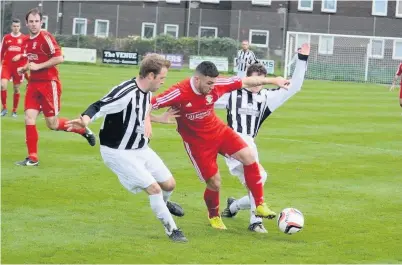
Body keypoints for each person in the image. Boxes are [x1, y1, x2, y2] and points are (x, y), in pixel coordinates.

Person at [151, 61, 290, 230]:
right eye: (208, 83)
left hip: (219, 131)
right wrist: (156, 119)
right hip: (198, 144)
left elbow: (246, 81)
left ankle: (259, 204)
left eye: (214, 83)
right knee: (215, 183)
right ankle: (214, 215)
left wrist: (274, 80)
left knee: (249, 156)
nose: (212, 87)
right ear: (196, 80)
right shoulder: (178, 92)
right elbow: (145, 105)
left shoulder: (217, 84)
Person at [66, 54, 187, 243]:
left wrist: (156, 119)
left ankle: (163, 205)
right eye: (162, 78)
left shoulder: (147, 90)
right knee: (154, 189)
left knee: (169, 184)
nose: (163, 82)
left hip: (140, 148)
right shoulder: (125, 92)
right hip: (118, 152)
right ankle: (173, 230)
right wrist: (85, 120)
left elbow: (141, 111)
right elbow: (99, 105)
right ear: (150, 76)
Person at [218, 43, 310, 233]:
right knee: (258, 178)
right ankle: (255, 222)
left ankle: (234, 206)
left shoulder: (267, 97)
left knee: (259, 179)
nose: (257, 84)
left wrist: (302, 60)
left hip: (249, 145)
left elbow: (295, 87)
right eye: (254, 80)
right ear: (247, 79)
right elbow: (207, 97)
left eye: (261, 81)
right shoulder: (232, 94)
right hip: (231, 144)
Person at [15, 8, 96, 166]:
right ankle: (33, 158)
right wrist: (25, 68)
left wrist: (38, 67)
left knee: (52, 124)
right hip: (33, 85)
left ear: (41, 22)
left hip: (48, 84)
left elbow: (59, 57)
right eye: (31, 21)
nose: (33, 24)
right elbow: (33, 60)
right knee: (28, 118)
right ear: (26, 23)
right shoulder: (26, 41)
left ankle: (81, 130)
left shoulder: (45, 37)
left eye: (36, 21)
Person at [1, 18, 28, 117]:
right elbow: (1, 52)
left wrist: (21, 59)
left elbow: (27, 54)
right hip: (7, 66)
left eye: (17, 26)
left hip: (18, 68)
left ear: (20, 27)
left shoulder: (24, 39)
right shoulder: (6, 37)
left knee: (16, 88)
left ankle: (14, 110)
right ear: (11, 27)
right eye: (14, 26)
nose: (16, 28)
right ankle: (4, 108)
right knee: (3, 85)